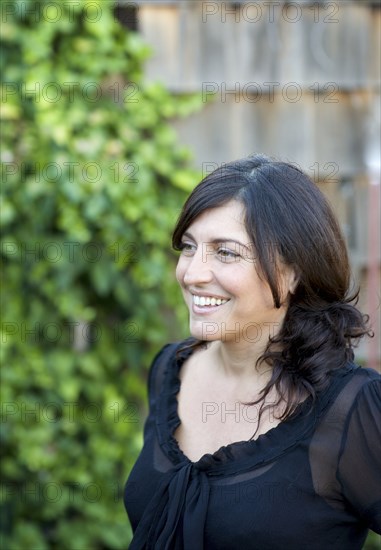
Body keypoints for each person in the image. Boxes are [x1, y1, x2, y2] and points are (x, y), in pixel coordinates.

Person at [124, 154, 381, 549]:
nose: (192, 273)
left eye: (225, 252)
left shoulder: (352, 408)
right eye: (189, 247)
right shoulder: (170, 369)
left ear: (294, 271)